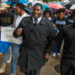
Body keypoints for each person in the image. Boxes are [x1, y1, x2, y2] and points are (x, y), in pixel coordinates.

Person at [13, 3, 56, 75]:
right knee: (24, 69)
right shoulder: (25, 20)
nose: (36, 11)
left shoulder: (48, 24)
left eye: (38, 10)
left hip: (39, 52)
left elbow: (52, 40)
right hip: (26, 51)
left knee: (35, 72)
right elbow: (15, 34)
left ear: (42, 11)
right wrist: (16, 33)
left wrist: (48, 51)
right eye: (34, 9)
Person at [48, 10, 75, 75]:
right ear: (73, 17)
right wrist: (48, 51)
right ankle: (55, 52)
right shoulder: (66, 29)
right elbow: (55, 40)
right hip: (66, 59)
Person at [10, 3, 29, 75]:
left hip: (24, 42)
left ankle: (22, 68)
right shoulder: (15, 16)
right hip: (15, 41)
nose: (15, 10)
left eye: (16, 9)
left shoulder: (28, 18)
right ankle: (12, 72)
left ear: (22, 9)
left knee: (23, 57)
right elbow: (13, 27)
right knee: (14, 57)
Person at [0, 2, 14, 73]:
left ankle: (3, 67)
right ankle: (10, 56)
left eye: (2, 9)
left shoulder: (12, 15)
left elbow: (14, 25)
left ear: (6, 8)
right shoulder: (0, 15)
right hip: (1, 34)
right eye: (1, 9)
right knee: (7, 48)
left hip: (8, 35)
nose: (2, 11)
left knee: (6, 50)